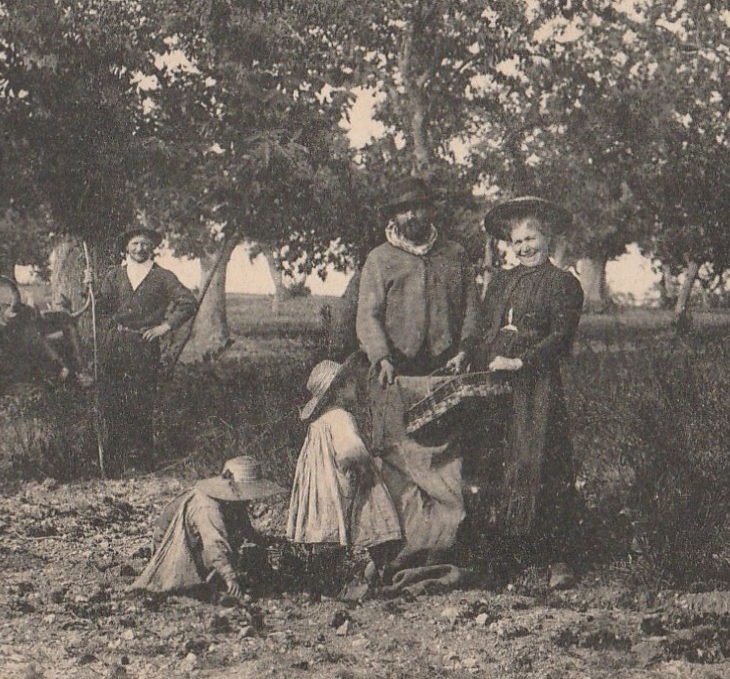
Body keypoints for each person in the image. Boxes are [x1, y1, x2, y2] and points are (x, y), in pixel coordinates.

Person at [355, 176, 479, 568]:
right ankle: (402, 547)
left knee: (444, 460)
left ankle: (444, 542)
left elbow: (472, 308)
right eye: (403, 210)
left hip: (444, 371)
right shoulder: (380, 259)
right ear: (394, 216)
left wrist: (464, 349)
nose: (411, 216)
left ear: (430, 211)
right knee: (397, 459)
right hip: (397, 373)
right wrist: (381, 357)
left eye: (418, 208)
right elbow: (368, 315)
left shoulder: (454, 254)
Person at [465, 196, 585, 590]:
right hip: (498, 388)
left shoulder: (563, 284)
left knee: (545, 466)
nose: (525, 248)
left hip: (539, 389)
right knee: (500, 464)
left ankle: (557, 558)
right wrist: (488, 354)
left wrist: (522, 361)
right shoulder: (499, 282)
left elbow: (561, 338)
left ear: (546, 238)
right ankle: (509, 556)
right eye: (517, 242)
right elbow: (484, 330)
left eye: (531, 239)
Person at [286, 358, 404, 594]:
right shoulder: (341, 417)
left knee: (324, 529)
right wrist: (365, 467)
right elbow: (352, 450)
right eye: (349, 383)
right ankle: (377, 568)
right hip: (336, 481)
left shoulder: (318, 422)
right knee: (370, 512)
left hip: (319, 485)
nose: (354, 386)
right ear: (337, 390)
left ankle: (322, 584)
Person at [90, 226, 197, 474]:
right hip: (114, 345)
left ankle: (142, 465)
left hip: (143, 347)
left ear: (152, 248)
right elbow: (102, 306)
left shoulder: (163, 277)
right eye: (135, 244)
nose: (140, 249)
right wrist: (91, 289)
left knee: (140, 403)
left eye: (145, 244)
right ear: (126, 247)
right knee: (112, 402)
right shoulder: (114, 276)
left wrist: (165, 327)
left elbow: (187, 302)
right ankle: (113, 465)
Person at [132, 456, 287, 597]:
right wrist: (230, 577)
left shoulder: (232, 503)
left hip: (199, 544)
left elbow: (246, 530)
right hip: (174, 548)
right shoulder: (207, 507)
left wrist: (266, 545)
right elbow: (214, 543)